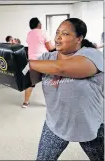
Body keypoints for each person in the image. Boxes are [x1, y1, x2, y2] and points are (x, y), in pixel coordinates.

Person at [28, 18, 103, 160]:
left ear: (79, 38)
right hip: (55, 124)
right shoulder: (47, 57)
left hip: (90, 123)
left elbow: (60, 68)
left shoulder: (92, 55)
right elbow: (29, 80)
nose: (58, 37)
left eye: (65, 34)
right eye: (57, 33)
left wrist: (27, 63)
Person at [22, 17, 55, 108]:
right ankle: (49, 102)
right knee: (47, 81)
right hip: (44, 60)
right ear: (38, 24)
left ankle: (26, 102)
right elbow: (50, 47)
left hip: (32, 61)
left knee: (31, 83)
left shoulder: (29, 34)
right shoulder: (43, 32)